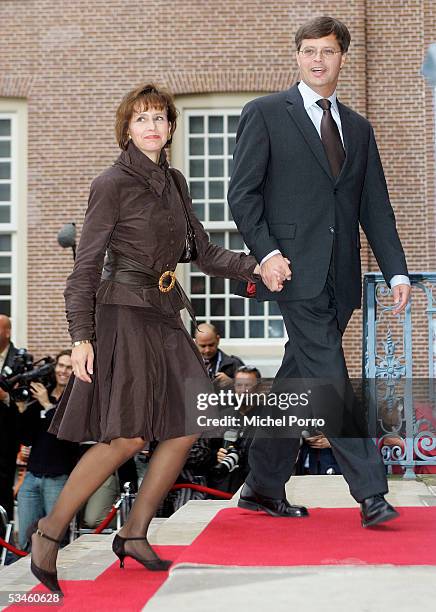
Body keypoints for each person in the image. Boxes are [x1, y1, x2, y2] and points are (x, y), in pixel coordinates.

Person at [28, 83, 259, 594]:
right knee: (129, 436)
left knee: (189, 421)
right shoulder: (111, 183)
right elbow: (84, 267)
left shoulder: (175, 182)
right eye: (141, 119)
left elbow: (203, 252)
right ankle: (47, 534)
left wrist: (256, 266)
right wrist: (81, 337)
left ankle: (134, 532)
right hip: (121, 314)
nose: (152, 126)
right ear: (127, 129)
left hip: (163, 311)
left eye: (159, 118)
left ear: (171, 127)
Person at [228, 16, 411, 527]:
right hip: (292, 274)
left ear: (341, 57)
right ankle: (371, 491)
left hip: (343, 280)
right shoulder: (264, 113)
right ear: (297, 56)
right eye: (308, 50)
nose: (317, 60)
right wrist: (266, 254)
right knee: (330, 377)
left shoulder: (357, 127)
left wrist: (396, 273)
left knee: (298, 379)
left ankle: (262, 486)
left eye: (327, 51)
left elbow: (375, 206)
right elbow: (241, 195)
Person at [17, 350, 79, 550]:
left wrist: (47, 405)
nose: (63, 371)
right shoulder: (43, 392)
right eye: (60, 365)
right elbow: (27, 437)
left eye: (69, 367)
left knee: (55, 537)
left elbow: (67, 437)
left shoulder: (76, 399)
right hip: (32, 475)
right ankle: (24, 577)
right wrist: (22, 408)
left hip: (57, 477)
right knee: (26, 535)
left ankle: (54, 571)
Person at [0, 315, 20, 526]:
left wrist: (5, 397)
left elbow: (25, 400)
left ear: (7, 332)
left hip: (6, 438)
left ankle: (4, 542)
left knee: (3, 490)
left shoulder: (20, 360)